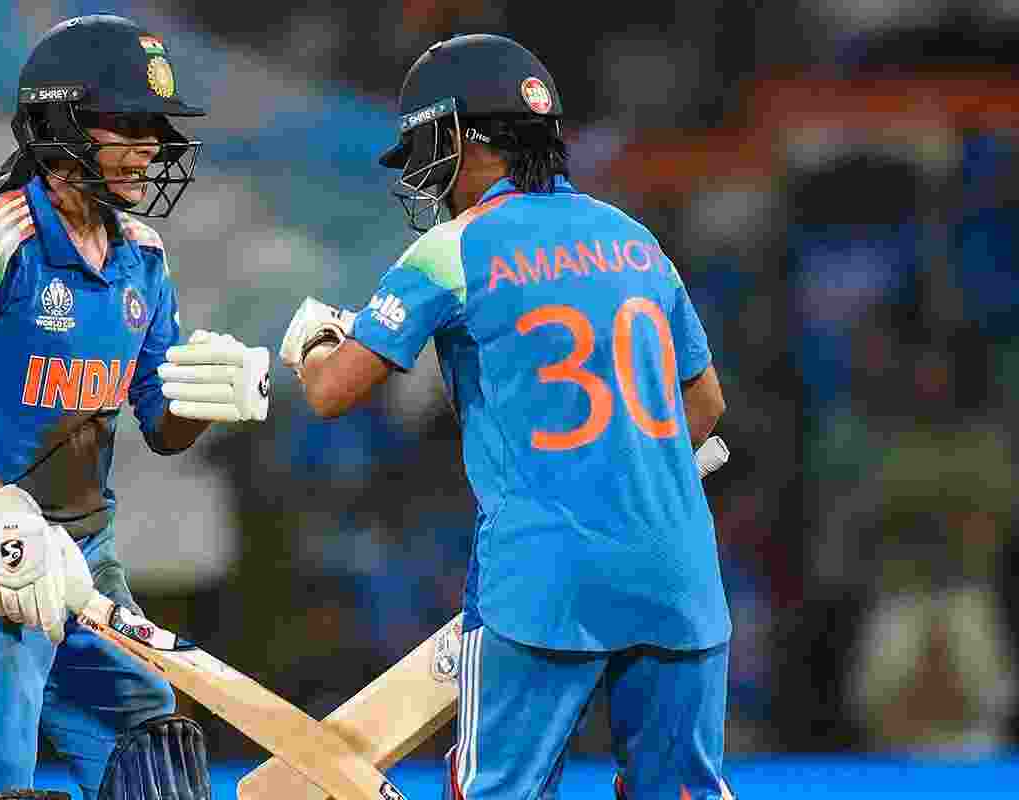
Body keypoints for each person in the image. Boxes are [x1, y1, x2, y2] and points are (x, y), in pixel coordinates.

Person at [280, 34, 734, 800]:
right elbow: (707, 405)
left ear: (461, 137)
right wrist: (632, 469)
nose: (424, 172)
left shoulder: (450, 248)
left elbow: (331, 393)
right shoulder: (634, 239)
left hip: (542, 579)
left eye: (427, 146)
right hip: (677, 569)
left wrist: (316, 343)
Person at [0, 14, 268, 800]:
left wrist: (207, 394)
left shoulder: (142, 257)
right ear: (60, 125)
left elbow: (160, 423)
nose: (150, 144)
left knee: (156, 762)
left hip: (86, 557)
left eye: (156, 126)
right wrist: (0, 507)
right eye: (129, 123)